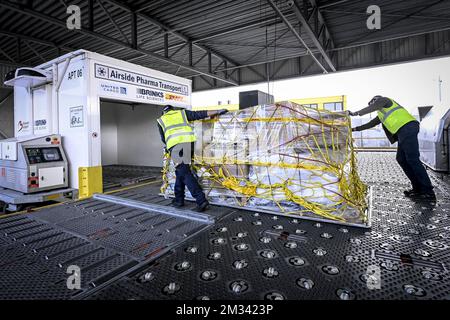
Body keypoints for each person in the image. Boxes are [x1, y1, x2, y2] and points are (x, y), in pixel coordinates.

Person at [349, 96, 436, 201]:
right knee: (402, 159)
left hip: (407, 127)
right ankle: (417, 188)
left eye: (372, 104)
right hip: (403, 132)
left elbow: (374, 106)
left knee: (413, 160)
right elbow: (370, 124)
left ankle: (427, 191)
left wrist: (354, 113)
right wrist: (353, 129)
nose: (372, 106)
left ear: (375, 100)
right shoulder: (381, 113)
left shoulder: (384, 100)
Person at [157, 105, 228, 212]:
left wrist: (169, 147)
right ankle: (179, 199)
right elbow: (199, 114)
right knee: (181, 171)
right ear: (173, 110)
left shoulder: (161, 120)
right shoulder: (181, 113)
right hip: (189, 144)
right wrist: (218, 111)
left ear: (164, 112)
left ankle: (201, 200)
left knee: (185, 173)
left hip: (176, 146)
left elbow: (163, 138)